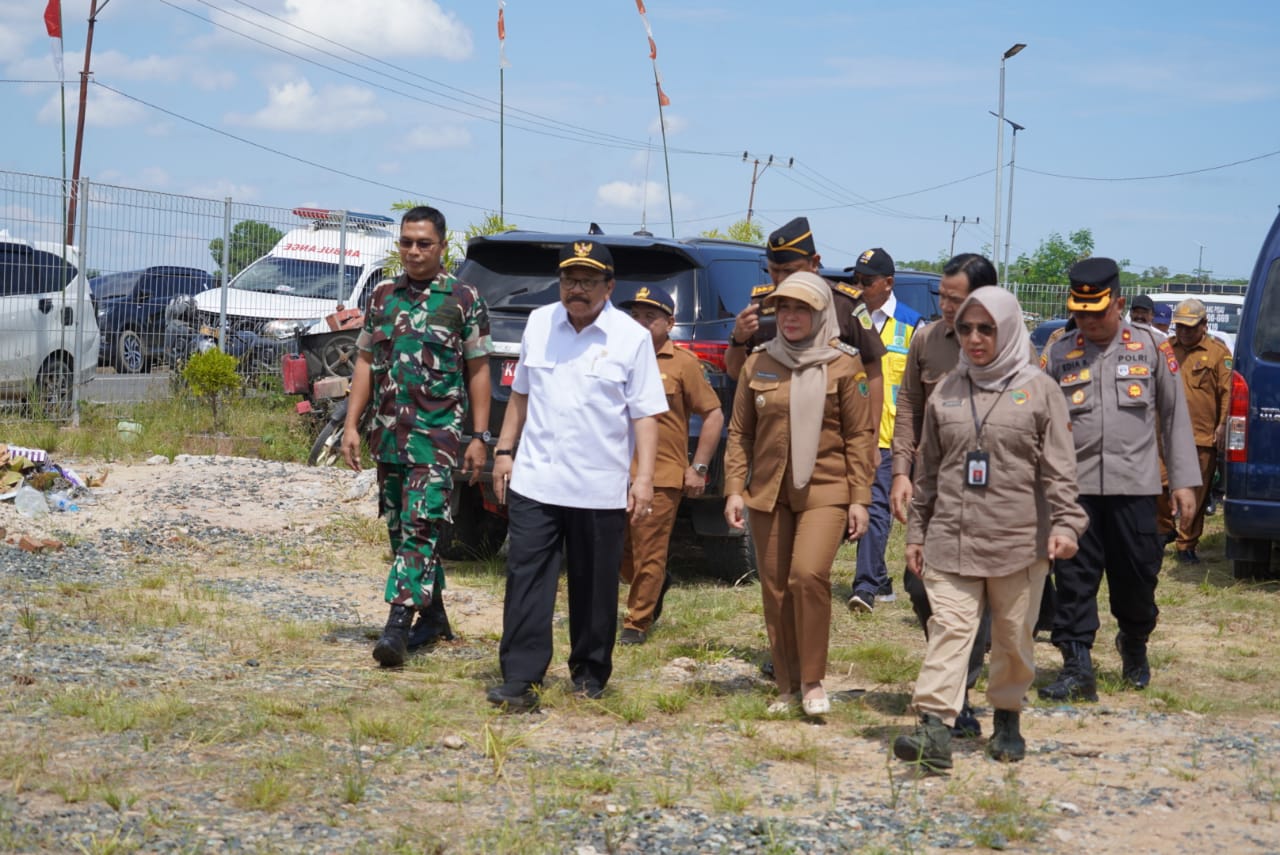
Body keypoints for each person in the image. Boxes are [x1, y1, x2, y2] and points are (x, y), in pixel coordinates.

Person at [894, 286, 1087, 771]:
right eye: (965, 329)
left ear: (1010, 329)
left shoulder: (1040, 390)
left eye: (987, 328)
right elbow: (928, 472)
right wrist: (916, 532)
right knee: (950, 630)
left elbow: (1060, 469)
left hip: (1018, 540)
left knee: (1012, 637)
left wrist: (1066, 523)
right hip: (951, 537)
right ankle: (934, 729)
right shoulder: (946, 390)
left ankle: (1006, 718)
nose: (974, 338)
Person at [487, 240, 667, 710]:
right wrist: (504, 451)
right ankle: (521, 676)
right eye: (570, 279)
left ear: (610, 286)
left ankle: (589, 672)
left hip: (599, 487)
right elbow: (521, 393)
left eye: (588, 281)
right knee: (527, 579)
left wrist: (643, 478)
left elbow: (646, 415)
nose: (577, 289)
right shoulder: (539, 322)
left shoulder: (631, 338)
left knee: (594, 585)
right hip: (536, 479)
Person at [1039, 257, 1199, 701]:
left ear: (1119, 304)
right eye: (1079, 313)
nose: (1087, 321)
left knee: (1137, 579)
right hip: (1075, 492)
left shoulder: (1152, 347)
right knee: (1073, 579)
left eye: (1096, 312)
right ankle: (1076, 665)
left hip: (1136, 488)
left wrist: (1184, 481)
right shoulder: (1058, 353)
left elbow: (1174, 416)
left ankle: (1134, 640)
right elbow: (1040, 423)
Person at [341, 205, 492, 668]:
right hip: (388, 436)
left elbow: (479, 370)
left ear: (442, 246)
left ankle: (397, 626)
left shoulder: (463, 299)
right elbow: (365, 361)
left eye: (424, 243)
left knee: (421, 527)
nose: (414, 251)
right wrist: (351, 424)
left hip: (437, 437)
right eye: (406, 242)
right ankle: (434, 616)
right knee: (401, 531)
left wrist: (479, 435)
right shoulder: (383, 296)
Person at [724, 271, 878, 717]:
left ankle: (812, 681)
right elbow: (740, 433)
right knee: (775, 588)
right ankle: (787, 685)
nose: (790, 317)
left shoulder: (844, 363)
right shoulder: (759, 361)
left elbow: (860, 437)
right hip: (768, 491)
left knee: (807, 576)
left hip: (826, 489)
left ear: (821, 313)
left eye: (801, 309)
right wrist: (734, 489)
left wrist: (860, 497)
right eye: (784, 309)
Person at [887, 252, 997, 738]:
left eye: (957, 299)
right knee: (920, 585)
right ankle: (953, 676)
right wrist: (901, 471)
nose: (946, 307)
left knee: (980, 592)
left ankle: (959, 694)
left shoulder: (1008, 345)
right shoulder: (927, 339)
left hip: (994, 491)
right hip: (936, 486)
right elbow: (909, 404)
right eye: (943, 298)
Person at [616, 284, 725, 645]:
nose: (641, 323)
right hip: (613, 471)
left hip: (661, 475)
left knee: (649, 550)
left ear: (670, 323)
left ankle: (637, 622)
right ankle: (656, 583)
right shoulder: (616, 356)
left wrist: (699, 467)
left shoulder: (683, 364)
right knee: (618, 551)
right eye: (635, 316)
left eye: (651, 317)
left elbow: (713, 415)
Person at [723, 217, 886, 414]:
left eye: (789, 271)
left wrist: (871, 431)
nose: (781, 279)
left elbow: (873, 372)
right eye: (773, 270)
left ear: (814, 263)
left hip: (830, 420)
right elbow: (736, 373)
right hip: (773, 420)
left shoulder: (844, 304)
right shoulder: (762, 304)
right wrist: (737, 339)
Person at [847, 247, 921, 613]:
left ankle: (865, 587)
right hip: (850, 431)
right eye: (855, 280)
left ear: (888, 283)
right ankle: (879, 578)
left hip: (889, 436)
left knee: (876, 506)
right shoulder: (849, 319)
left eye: (866, 281)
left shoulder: (913, 325)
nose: (858, 287)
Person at [1168, 298, 1232, 564]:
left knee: (1196, 491)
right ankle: (1161, 532)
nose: (1184, 332)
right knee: (1158, 488)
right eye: (1179, 326)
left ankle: (1186, 543)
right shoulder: (1165, 350)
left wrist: (1222, 425)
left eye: (1190, 327)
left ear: (1204, 325)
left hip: (1200, 436)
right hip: (1164, 434)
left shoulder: (1218, 353)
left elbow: (1227, 393)